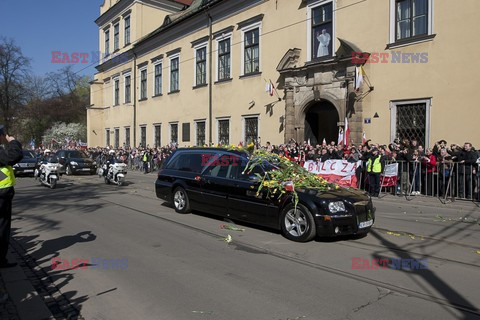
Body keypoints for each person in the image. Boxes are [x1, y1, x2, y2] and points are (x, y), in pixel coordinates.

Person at [0, 125, 23, 268]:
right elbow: (14, 156)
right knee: (2, 227)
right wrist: (13, 141)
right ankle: (1, 260)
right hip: (1, 195)